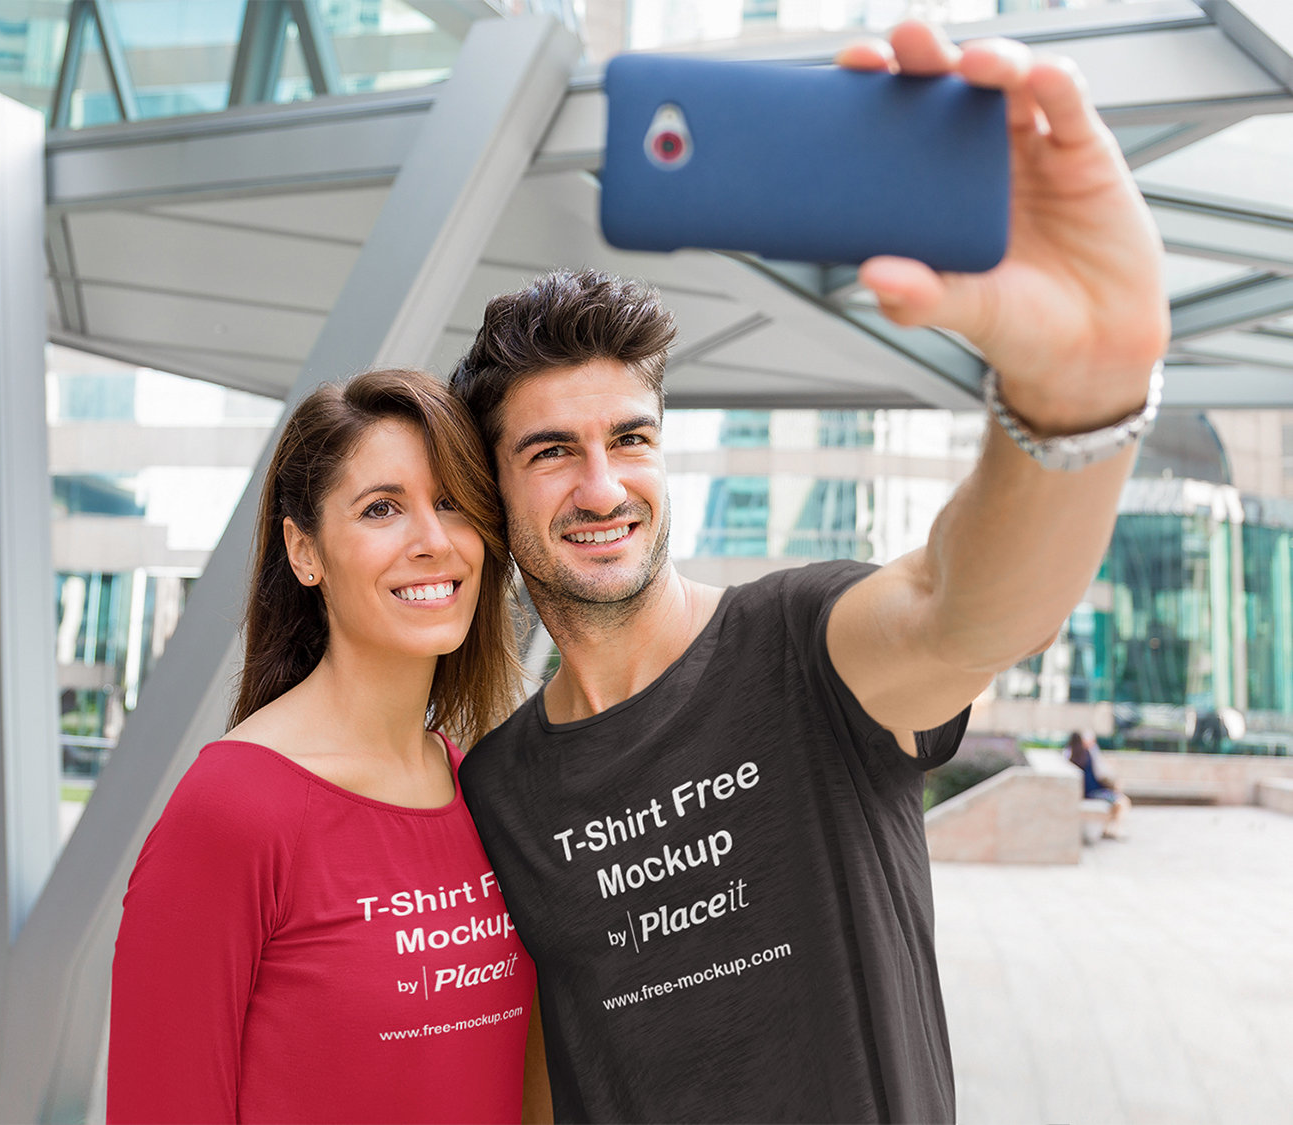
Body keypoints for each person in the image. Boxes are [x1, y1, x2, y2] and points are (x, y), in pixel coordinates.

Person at [449, 19, 1169, 1125]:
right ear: (496, 492)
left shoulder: (798, 645)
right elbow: (550, 1065)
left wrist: (1079, 397)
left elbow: (961, 611)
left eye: (631, 439)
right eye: (553, 452)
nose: (603, 486)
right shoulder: (496, 788)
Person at [107, 370, 546, 1123]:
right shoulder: (234, 810)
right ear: (305, 550)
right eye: (383, 508)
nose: (433, 540)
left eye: (452, 502)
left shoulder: (487, 793)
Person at [1068, 730, 1131, 839]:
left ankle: (1106, 829)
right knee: (1122, 802)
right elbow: (1101, 773)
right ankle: (1117, 830)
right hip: (1092, 793)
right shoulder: (1089, 753)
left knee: (1114, 802)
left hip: (1084, 793)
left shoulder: (1069, 754)